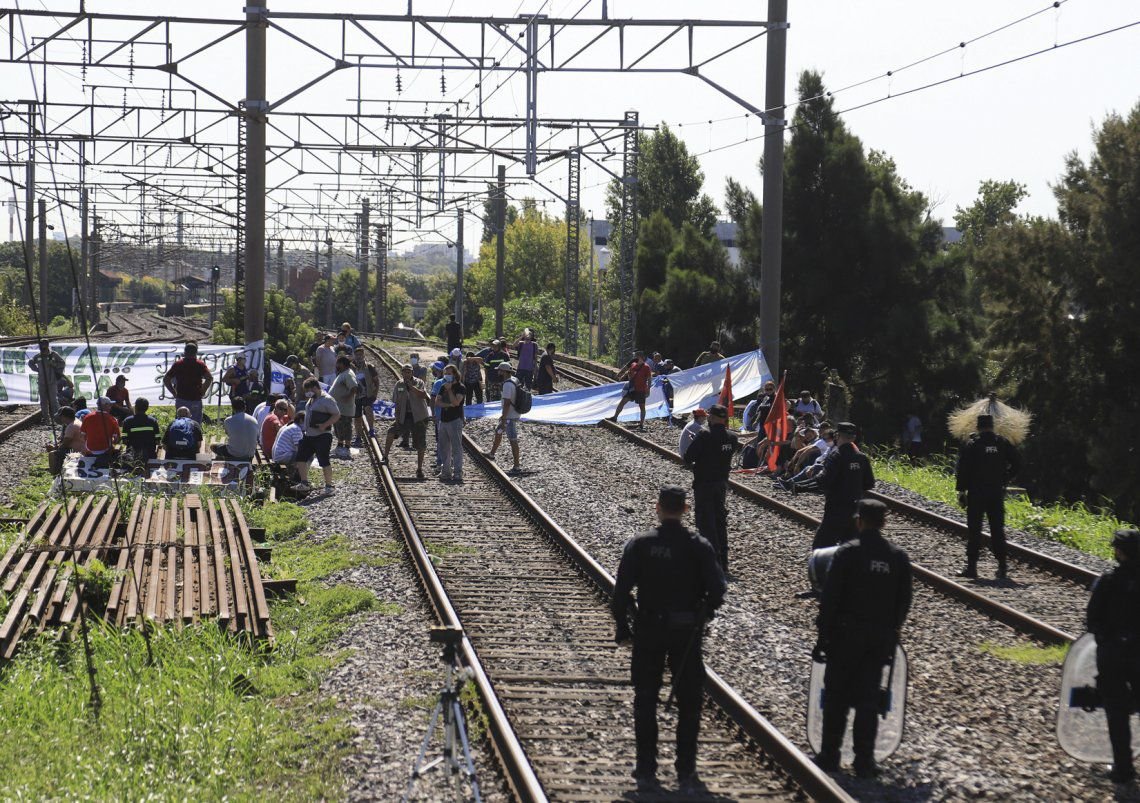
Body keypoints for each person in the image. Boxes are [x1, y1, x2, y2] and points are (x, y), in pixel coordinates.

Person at [611, 484, 727, 793]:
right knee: (689, 702)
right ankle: (686, 770)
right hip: (686, 633)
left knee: (645, 699)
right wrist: (704, 612)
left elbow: (621, 592)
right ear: (686, 509)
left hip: (649, 629)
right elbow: (718, 590)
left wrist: (623, 628)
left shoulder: (641, 545)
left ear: (658, 507)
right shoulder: (699, 546)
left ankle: (646, 768)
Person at [814, 499, 912, 778]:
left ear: (859, 520)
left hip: (845, 635)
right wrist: (891, 630)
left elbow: (830, 598)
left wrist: (823, 634)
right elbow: (904, 602)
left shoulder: (846, 554)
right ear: (884, 522)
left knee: (836, 696)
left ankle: (830, 755)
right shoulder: (897, 557)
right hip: (878, 637)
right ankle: (864, 760)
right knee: (869, 699)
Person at [1087, 528, 1140, 784]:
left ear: (1119, 552)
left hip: (1114, 656)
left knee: (1117, 713)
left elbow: (1092, 619)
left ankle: (1123, 769)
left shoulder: (1108, 581)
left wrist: (1107, 640)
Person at [955, 414, 1021, 580]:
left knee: (974, 530)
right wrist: (1005, 477)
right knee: (997, 529)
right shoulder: (1002, 443)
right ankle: (1002, 567)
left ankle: (972, 567)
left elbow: (963, 469)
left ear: (978, 427)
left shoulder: (973, 444)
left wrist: (961, 491)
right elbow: (1018, 463)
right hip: (996, 493)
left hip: (977, 493)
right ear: (992, 426)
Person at [682, 404, 740, 571]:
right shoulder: (732, 438)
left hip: (704, 484)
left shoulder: (704, 435)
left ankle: (711, 563)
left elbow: (688, 457)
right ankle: (724, 562)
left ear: (713, 417)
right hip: (721, 484)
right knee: (720, 521)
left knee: (706, 522)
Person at [811, 422, 874, 551]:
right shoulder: (862, 458)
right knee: (850, 547)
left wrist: (816, 475)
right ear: (854, 438)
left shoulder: (836, 456)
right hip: (855, 508)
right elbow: (869, 483)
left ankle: (827, 570)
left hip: (836, 507)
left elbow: (824, 481)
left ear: (837, 436)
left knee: (821, 546)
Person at [381, 363, 431, 479]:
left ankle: (419, 468)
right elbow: (396, 402)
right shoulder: (399, 384)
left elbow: (423, 395)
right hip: (405, 416)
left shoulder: (419, 382)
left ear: (412, 373)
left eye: (409, 372)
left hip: (419, 416)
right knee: (391, 431)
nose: (406, 374)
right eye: (404, 371)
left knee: (420, 443)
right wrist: (397, 418)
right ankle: (385, 456)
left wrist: (411, 387)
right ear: (402, 373)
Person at [293, 376, 340, 493]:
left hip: (323, 435)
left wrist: (325, 425)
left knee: (323, 460)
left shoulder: (327, 399)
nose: (307, 393)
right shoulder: (312, 399)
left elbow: (336, 414)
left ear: (315, 388)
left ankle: (329, 486)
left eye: (308, 390)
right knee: (301, 457)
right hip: (309, 435)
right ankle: (304, 483)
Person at [163, 342, 213, 423]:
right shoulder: (200, 364)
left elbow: (166, 379)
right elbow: (209, 378)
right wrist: (203, 391)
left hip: (181, 398)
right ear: (196, 353)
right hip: (195, 398)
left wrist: (173, 393)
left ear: (185, 352)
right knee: (195, 424)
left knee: (181, 422)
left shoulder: (178, 364)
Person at [488, 361, 523, 474]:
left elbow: (507, 403)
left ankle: (517, 466)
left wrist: (504, 417)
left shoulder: (507, 385)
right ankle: (492, 454)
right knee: (498, 431)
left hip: (509, 416)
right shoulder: (515, 380)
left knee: (513, 440)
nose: (498, 372)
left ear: (503, 371)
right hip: (513, 413)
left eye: (500, 370)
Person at [437, 364, 466, 483]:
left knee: (456, 447)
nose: (447, 376)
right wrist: (448, 405)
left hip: (455, 420)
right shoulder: (443, 386)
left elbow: (456, 402)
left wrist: (449, 391)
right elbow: (437, 402)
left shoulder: (461, 387)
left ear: (455, 374)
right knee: (444, 447)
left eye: (449, 373)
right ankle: (446, 472)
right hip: (443, 420)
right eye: (446, 373)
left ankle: (458, 472)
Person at [611, 352, 654, 431]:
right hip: (632, 389)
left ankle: (641, 424)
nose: (636, 358)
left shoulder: (646, 367)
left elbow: (649, 378)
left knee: (642, 406)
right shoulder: (633, 365)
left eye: (637, 356)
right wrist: (626, 377)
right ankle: (615, 417)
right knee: (623, 401)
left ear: (640, 357)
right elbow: (629, 373)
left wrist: (648, 389)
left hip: (641, 389)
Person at [328, 355, 359, 459]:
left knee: (346, 428)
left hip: (345, 408)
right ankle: (340, 446)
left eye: (338, 363)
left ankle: (347, 448)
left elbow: (354, 387)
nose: (336, 365)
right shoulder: (343, 374)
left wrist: (348, 397)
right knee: (339, 428)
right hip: (339, 408)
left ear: (342, 364)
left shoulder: (348, 374)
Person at [27, 339, 67, 420]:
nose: (43, 347)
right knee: (43, 402)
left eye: (44, 345)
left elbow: (62, 363)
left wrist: (54, 364)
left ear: (47, 345)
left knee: (53, 401)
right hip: (41, 382)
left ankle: (57, 418)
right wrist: (35, 368)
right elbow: (31, 362)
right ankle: (46, 418)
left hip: (52, 382)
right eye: (41, 345)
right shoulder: (38, 356)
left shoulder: (54, 355)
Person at [211, 397, 259, 462]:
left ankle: (226, 458)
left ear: (233, 408)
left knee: (213, 445)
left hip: (233, 454)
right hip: (250, 455)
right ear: (245, 407)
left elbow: (228, 433)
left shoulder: (228, 420)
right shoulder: (254, 420)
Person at [80, 397, 122, 469]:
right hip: (105, 453)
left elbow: (83, 435)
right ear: (105, 405)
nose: (110, 407)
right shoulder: (112, 419)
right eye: (109, 405)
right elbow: (117, 439)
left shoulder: (87, 417)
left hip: (89, 452)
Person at [121, 398, 162, 466]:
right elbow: (158, 441)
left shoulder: (127, 421)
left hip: (132, 455)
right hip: (150, 454)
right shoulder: (153, 421)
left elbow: (124, 440)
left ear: (135, 407)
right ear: (147, 408)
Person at [352, 346, 380, 441]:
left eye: (360, 354)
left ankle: (371, 429)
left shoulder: (370, 367)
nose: (358, 357)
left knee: (368, 410)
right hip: (356, 396)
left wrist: (375, 394)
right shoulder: (351, 367)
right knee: (357, 417)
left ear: (364, 355)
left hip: (367, 394)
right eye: (357, 355)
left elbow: (376, 381)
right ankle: (358, 436)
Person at [46, 406, 85, 474]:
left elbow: (65, 444)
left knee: (52, 454)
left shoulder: (71, 426)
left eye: (61, 417)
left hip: (76, 451)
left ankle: (54, 472)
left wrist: (54, 447)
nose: (60, 419)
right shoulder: (77, 421)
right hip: (81, 448)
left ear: (64, 416)